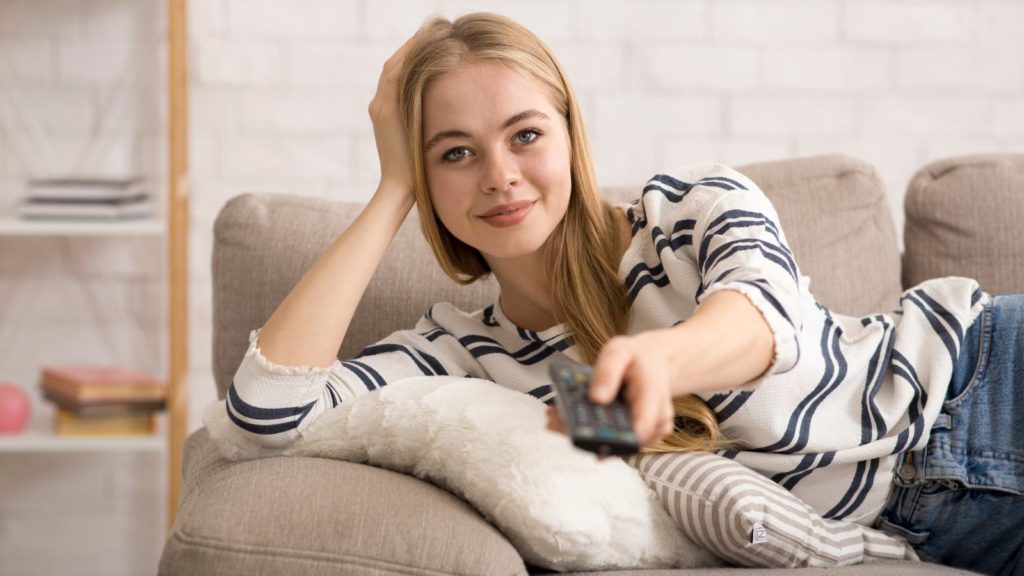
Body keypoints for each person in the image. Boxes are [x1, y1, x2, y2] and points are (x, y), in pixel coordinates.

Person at [220, 12, 1023, 575]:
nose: (499, 174)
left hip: (985, 379)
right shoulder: (461, 357)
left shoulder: (689, 211)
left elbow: (766, 322)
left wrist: (656, 360)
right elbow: (265, 414)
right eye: (455, 153)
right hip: (947, 522)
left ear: (572, 136)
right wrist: (392, 185)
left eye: (526, 135)